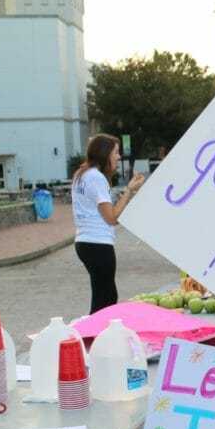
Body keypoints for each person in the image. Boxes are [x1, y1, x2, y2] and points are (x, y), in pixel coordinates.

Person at [71, 133, 144, 314]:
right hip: (98, 245)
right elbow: (111, 217)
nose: (118, 157)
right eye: (116, 152)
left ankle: (99, 337)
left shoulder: (81, 175)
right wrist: (129, 190)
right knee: (103, 302)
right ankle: (93, 339)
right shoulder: (96, 177)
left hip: (85, 242)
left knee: (109, 296)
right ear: (105, 153)